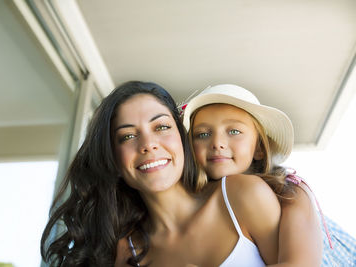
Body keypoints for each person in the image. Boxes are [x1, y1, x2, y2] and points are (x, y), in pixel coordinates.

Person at [41, 81, 283, 266]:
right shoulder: (127, 252)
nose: (148, 144)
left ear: (182, 137)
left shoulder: (241, 195)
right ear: (112, 159)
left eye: (162, 127)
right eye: (128, 136)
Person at [181, 84, 325, 266]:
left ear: (259, 148)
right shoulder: (189, 204)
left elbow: (301, 264)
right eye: (202, 134)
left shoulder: (290, 192)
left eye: (234, 131)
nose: (217, 143)